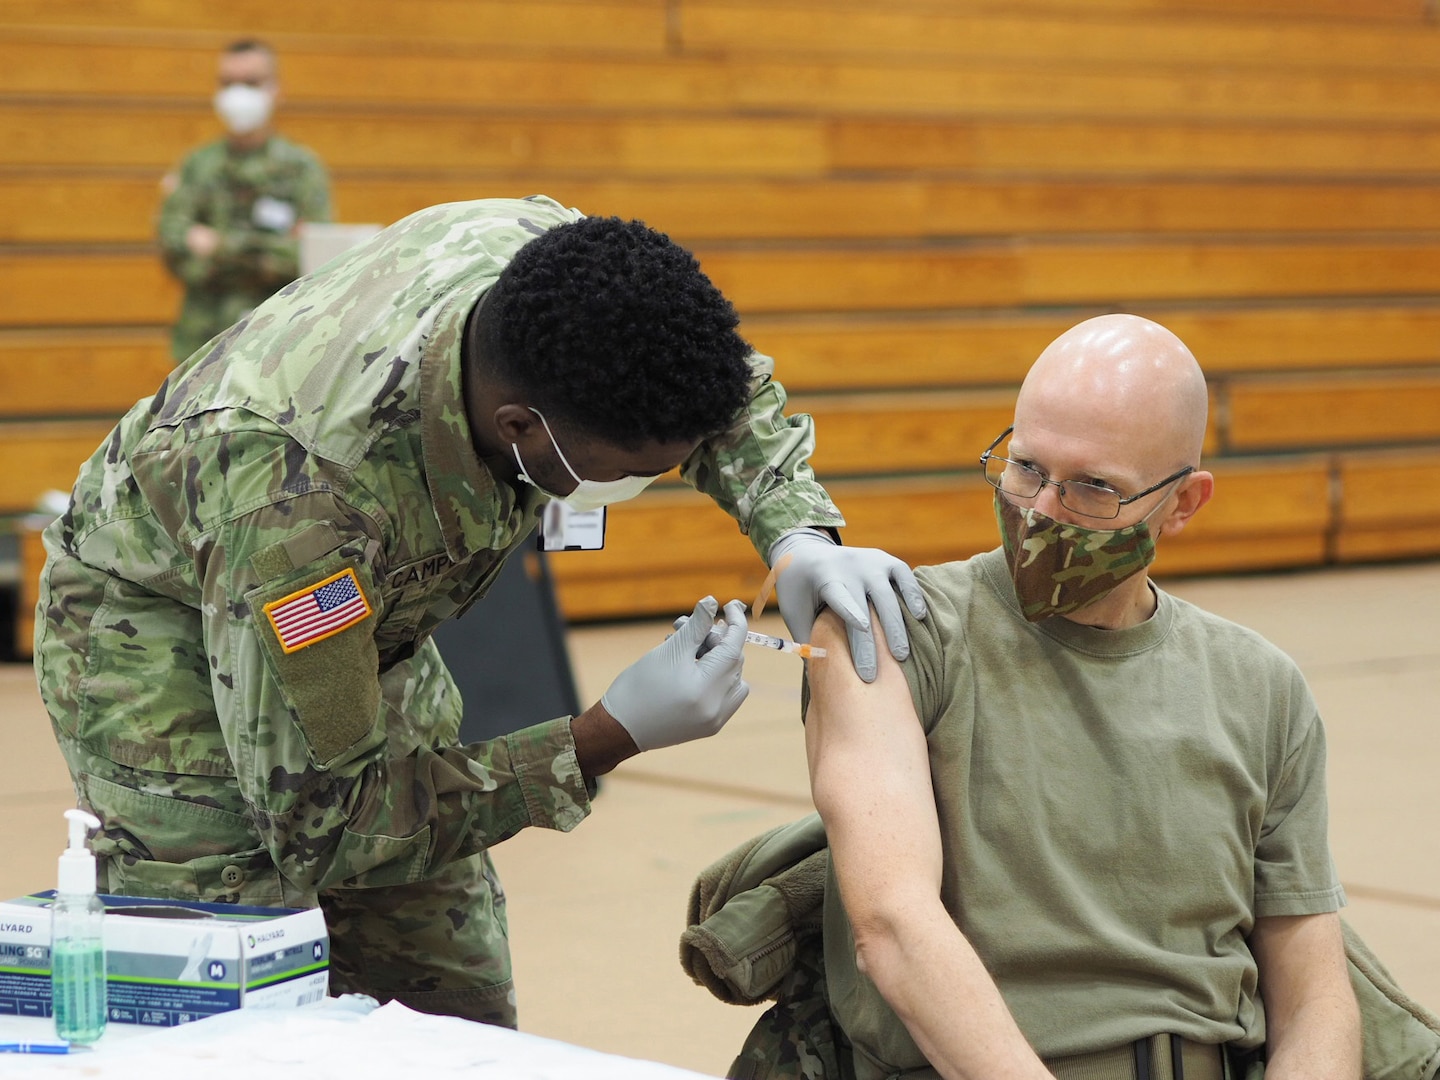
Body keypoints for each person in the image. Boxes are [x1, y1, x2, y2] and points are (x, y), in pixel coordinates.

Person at [33, 196, 926, 1028]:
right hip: (156, 632)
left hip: (356, 599)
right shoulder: (303, 502)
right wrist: (605, 735)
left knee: (446, 986)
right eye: (629, 468)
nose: (644, 485)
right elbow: (331, 826)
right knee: (238, 982)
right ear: (518, 427)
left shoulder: (552, 265)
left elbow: (722, 395)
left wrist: (798, 533)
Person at [726, 314, 1369, 1079]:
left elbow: (1315, 996)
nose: (1042, 511)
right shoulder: (895, 631)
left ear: (1185, 503)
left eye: (1095, 487)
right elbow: (892, 927)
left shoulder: (1260, 686)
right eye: (1026, 467)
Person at [156, 38, 331, 362]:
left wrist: (217, 245)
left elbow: (310, 259)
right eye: (227, 83)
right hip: (201, 343)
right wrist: (267, 250)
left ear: (277, 89)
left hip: (276, 343)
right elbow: (173, 245)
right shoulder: (198, 165)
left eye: (251, 82)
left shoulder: (302, 168)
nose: (238, 94)